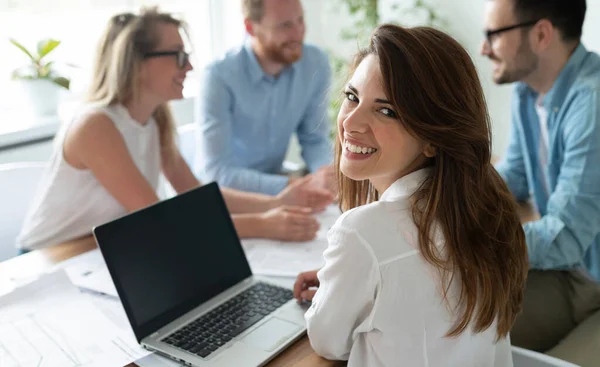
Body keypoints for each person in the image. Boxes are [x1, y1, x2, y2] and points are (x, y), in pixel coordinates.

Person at [293, 24, 528, 366]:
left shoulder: (361, 232)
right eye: (352, 97)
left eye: (386, 110)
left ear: (433, 138)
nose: (351, 123)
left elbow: (328, 341)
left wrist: (348, 282)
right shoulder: (487, 209)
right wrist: (351, 278)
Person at [16, 8, 334, 252]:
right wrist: (263, 224)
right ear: (137, 61)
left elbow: (196, 197)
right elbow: (161, 222)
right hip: (50, 258)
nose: (190, 67)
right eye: (179, 57)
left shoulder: (157, 120)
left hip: (102, 251)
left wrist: (279, 201)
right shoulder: (95, 126)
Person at [481, 0, 600, 353]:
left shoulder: (592, 104)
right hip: (570, 272)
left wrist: (472, 242)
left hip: (589, 280)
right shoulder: (527, 90)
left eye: (494, 35)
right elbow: (513, 175)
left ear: (542, 34)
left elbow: (566, 236)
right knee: (461, 327)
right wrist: (448, 195)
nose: (483, 48)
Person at [195, 0, 335, 196]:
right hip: (226, 197)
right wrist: (292, 186)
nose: (298, 33)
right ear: (250, 27)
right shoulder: (219, 77)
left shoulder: (315, 63)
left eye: (300, 20)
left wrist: (326, 173)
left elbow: (314, 139)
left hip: (278, 182)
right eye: (285, 25)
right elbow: (217, 172)